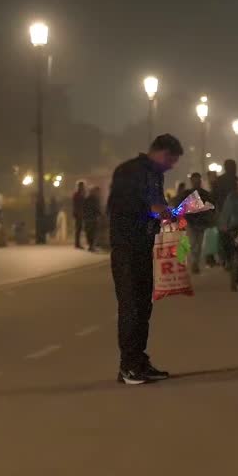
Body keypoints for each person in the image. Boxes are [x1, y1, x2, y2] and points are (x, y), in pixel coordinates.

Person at [107, 134, 183, 384]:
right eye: (171, 160)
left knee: (142, 306)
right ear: (162, 153)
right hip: (127, 245)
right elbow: (152, 207)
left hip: (141, 244)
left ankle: (138, 361)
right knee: (131, 306)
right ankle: (128, 366)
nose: (171, 166)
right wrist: (174, 212)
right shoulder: (137, 172)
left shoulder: (150, 173)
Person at [174, 172, 215, 274]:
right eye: (194, 180)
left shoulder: (205, 194)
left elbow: (212, 207)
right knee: (193, 243)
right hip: (191, 222)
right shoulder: (188, 194)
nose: (196, 182)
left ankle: (195, 262)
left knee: (198, 244)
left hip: (201, 222)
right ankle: (194, 262)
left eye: (197, 180)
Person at [82, 185, 103, 252]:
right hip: (92, 218)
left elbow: (84, 208)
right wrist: (99, 214)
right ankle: (92, 246)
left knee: (89, 232)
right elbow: (97, 208)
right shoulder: (95, 199)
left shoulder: (87, 199)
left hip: (88, 218)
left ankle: (91, 245)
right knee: (93, 232)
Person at [71, 181, 87, 249]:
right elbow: (77, 204)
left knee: (79, 228)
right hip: (78, 213)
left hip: (80, 212)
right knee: (78, 228)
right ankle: (77, 243)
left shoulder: (81, 193)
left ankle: (77, 243)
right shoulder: (77, 194)